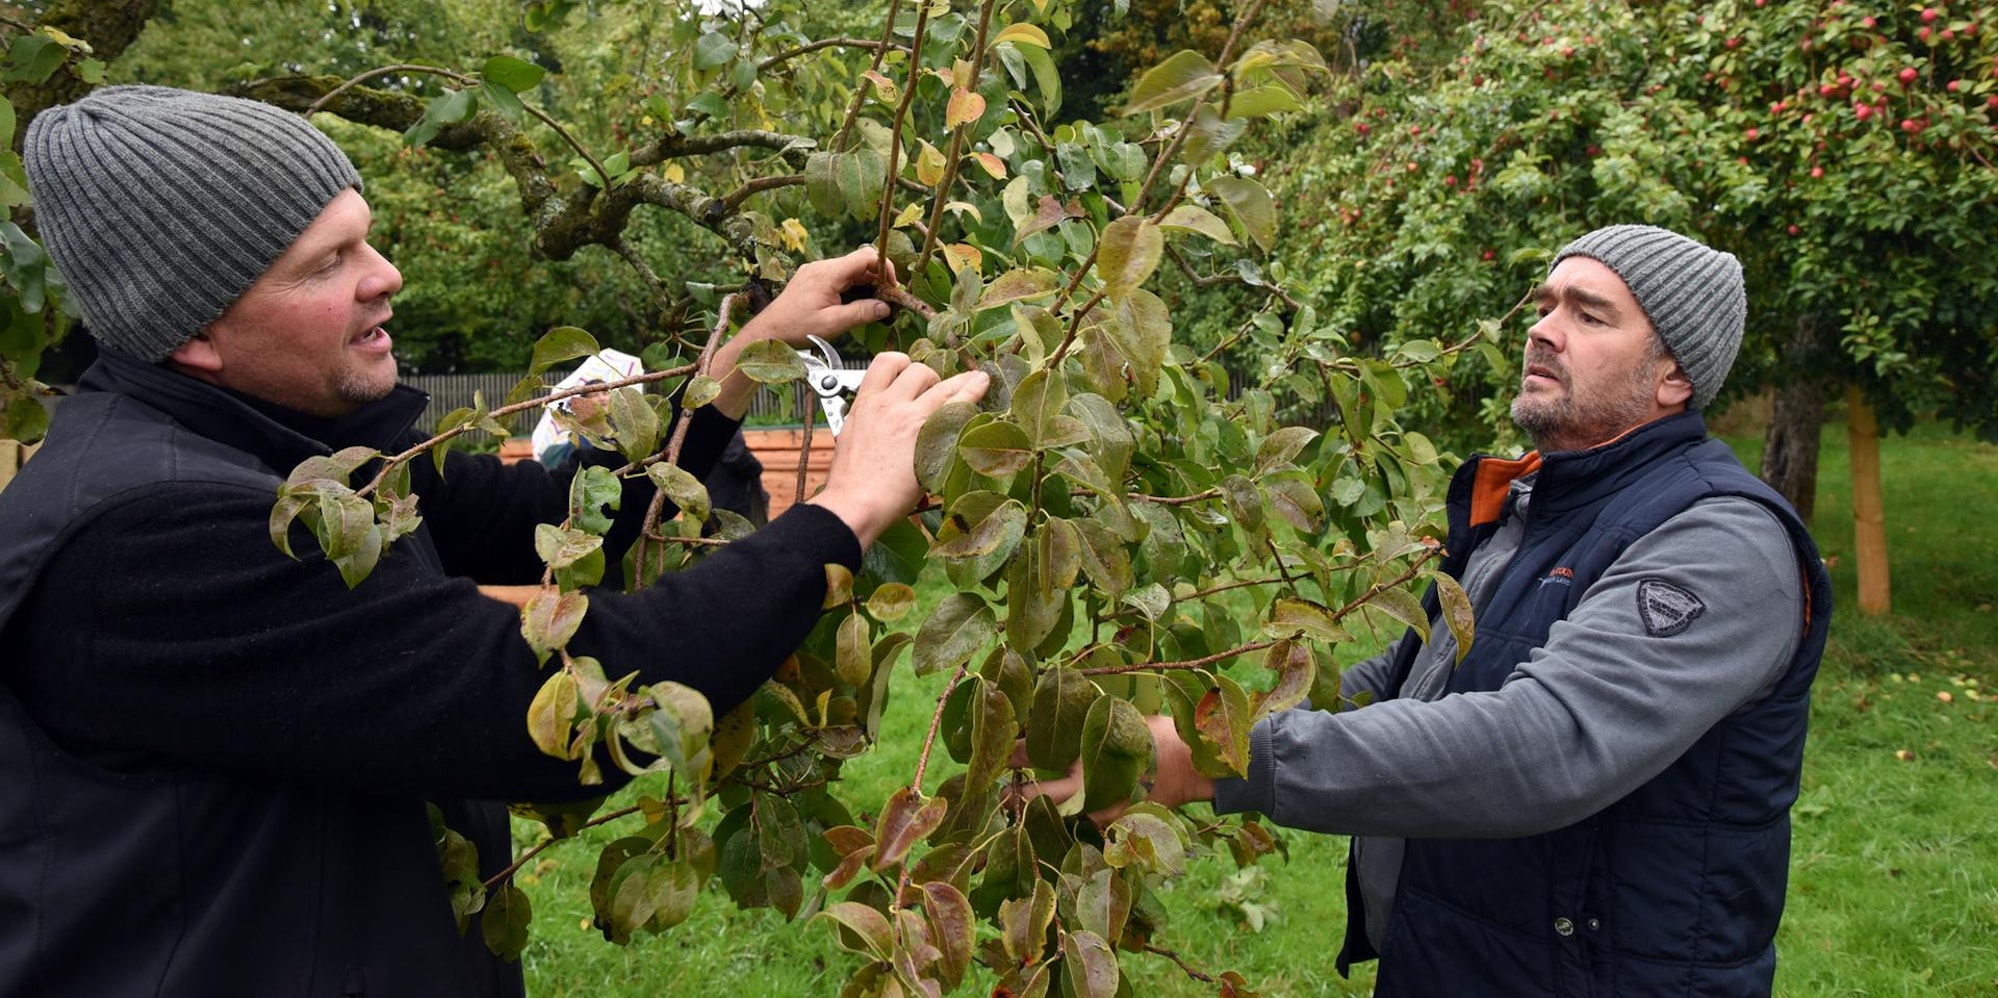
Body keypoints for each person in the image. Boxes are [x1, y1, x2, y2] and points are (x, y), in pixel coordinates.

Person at [0, 85, 985, 996]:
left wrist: (741, 358)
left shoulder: (305, 457)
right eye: (326, 264)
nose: (386, 277)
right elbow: (571, 706)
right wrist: (846, 507)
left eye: (365, 240)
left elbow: (551, 516)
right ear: (194, 332)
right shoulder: (153, 535)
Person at [1039, 225, 1832, 996]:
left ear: (1674, 376)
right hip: (1460, 954)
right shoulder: (1530, 504)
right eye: (1547, 304)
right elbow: (1414, 676)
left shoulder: (1720, 541)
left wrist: (1212, 760)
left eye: (1589, 316)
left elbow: (1548, 744)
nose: (1544, 331)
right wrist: (1183, 722)